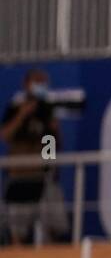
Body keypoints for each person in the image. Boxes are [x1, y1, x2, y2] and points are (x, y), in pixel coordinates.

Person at [0, 67, 69, 245]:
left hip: (42, 179)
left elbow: (51, 146)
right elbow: (6, 135)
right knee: (18, 233)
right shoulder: (15, 108)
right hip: (18, 179)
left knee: (52, 230)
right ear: (26, 84)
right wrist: (22, 115)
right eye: (37, 81)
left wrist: (51, 164)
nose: (41, 85)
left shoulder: (47, 111)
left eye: (44, 82)